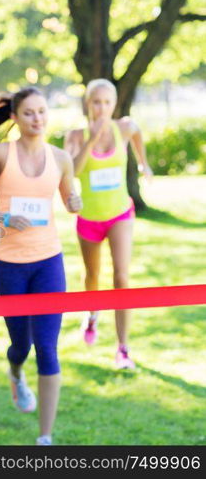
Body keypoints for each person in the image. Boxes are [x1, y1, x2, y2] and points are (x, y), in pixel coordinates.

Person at [0, 87, 82, 446]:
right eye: (29, 112)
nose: (37, 118)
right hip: (9, 265)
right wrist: (3, 215)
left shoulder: (60, 158)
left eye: (42, 111)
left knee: (47, 347)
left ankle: (45, 437)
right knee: (21, 346)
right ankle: (15, 373)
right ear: (14, 116)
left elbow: (71, 203)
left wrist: (75, 201)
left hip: (48, 262)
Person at [64, 78, 152, 369]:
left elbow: (137, 134)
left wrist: (143, 162)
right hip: (89, 219)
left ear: (114, 104)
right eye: (96, 102)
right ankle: (91, 315)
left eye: (107, 102)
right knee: (92, 276)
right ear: (88, 104)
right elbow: (74, 171)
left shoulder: (124, 127)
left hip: (119, 215)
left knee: (121, 278)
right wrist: (92, 138)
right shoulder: (75, 135)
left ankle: (123, 348)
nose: (102, 108)